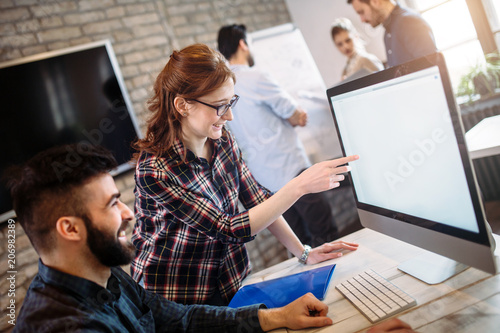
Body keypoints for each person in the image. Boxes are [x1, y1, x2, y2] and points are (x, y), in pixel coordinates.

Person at [6, 145, 417, 333]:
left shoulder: (105, 276)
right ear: (70, 229)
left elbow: (176, 318)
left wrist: (274, 317)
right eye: (113, 203)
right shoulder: (66, 325)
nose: (129, 212)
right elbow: (229, 226)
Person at [131, 43, 360, 306]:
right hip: (178, 298)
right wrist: (299, 186)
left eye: (231, 102)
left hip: (231, 280)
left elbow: (258, 200)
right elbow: (227, 229)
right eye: (219, 106)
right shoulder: (155, 171)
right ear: (183, 105)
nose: (228, 115)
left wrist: (304, 253)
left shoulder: (222, 140)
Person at [217, 24, 340, 249]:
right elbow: (297, 117)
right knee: (326, 235)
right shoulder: (256, 76)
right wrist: (297, 115)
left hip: (268, 186)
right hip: (293, 170)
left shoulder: (223, 88)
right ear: (243, 44)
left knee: (301, 247)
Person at [348, 0, 437, 67]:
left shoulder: (409, 22)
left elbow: (433, 69)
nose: (362, 19)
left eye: (361, 12)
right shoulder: (387, 34)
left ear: (375, 1)